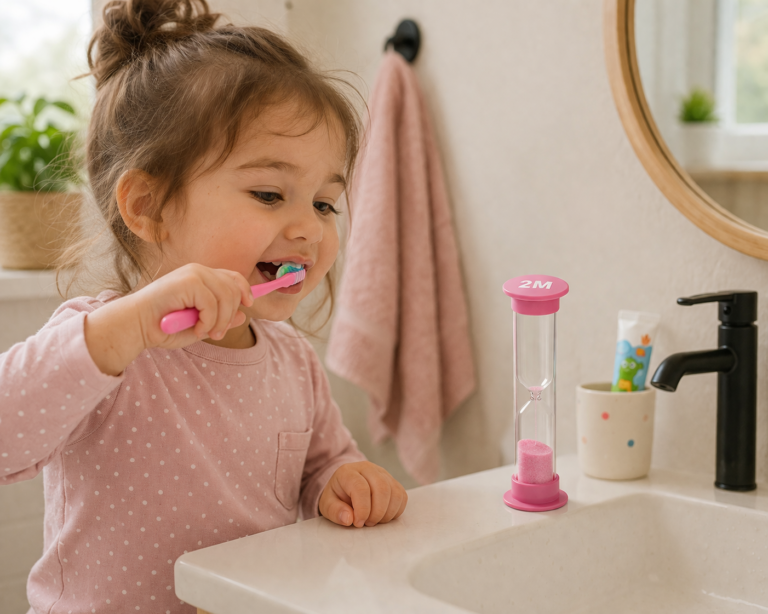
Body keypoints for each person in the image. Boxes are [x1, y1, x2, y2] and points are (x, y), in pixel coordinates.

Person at [0, 1, 407, 612]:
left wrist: (340, 481)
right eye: (268, 193)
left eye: (324, 203)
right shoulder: (105, 344)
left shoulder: (292, 361)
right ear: (148, 207)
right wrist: (123, 330)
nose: (310, 229)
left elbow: (322, 463)